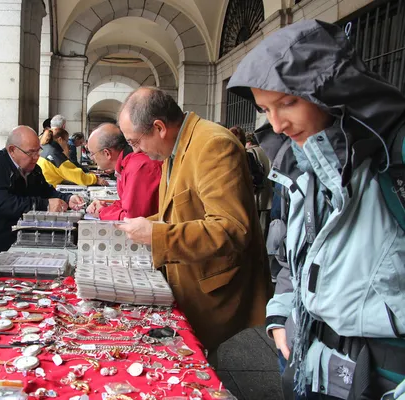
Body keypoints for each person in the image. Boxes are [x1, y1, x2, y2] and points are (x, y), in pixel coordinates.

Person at [227, 19, 405, 399]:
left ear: (331, 91)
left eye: (288, 102)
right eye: (265, 109)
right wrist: (280, 318)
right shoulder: (296, 163)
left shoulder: (394, 160)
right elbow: (294, 257)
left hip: (386, 371)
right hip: (309, 359)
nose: (278, 123)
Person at [115, 87, 271, 359]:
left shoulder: (212, 144)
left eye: (135, 142)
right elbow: (179, 211)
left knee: (199, 362)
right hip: (186, 275)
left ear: (159, 127)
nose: (136, 150)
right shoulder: (174, 148)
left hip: (213, 286)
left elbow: (231, 228)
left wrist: (156, 234)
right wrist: (147, 223)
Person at [0, 126, 85, 283]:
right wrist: (45, 205)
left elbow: (47, 191)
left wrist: (68, 199)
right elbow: (3, 204)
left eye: (38, 151)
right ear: (12, 150)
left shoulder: (34, 169)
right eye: (30, 152)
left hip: (15, 245)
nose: (36, 157)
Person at [86, 123, 162, 220]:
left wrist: (102, 211)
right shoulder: (125, 165)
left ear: (107, 153)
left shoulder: (138, 167)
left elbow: (134, 218)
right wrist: (107, 208)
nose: (92, 159)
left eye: (92, 154)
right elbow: (126, 204)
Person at [37, 127, 107, 187]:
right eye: (66, 141)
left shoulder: (44, 149)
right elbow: (76, 175)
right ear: (60, 140)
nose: (67, 144)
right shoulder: (56, 156)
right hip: (52, 189)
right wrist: (95, 179)